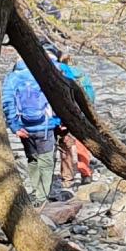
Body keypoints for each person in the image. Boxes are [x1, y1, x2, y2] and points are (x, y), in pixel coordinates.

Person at [0, 50, 64, 202]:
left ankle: (36, 191)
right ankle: (42, 196)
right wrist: (60, 121)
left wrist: (14, 127)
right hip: (46, 126)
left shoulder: (13, 77)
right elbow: (60, 98)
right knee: (47, 162)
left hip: (24, 127)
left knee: (32, 159)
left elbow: (7, 103)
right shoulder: (47, 73)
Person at [51, 47, 96, 188]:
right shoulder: (81, 74)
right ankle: (85, 173)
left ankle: (67, 178)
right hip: (82, 113)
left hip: (64, 113)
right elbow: (90, 95)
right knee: (83, 143)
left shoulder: (56, 72)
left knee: (66, 145)